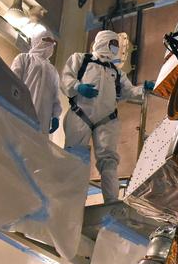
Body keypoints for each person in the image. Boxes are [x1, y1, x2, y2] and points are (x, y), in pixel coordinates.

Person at [61, 30, 154, 203]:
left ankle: (111, 203)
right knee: (75, 158)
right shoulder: (81, 59)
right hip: (81, 115)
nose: (116, 48)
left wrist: (144, 89)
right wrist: (78, 87)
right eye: (113, 43)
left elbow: (130, 91)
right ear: (104, 41)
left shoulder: (116, 72)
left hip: (107, 120)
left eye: (117, 45)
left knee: (109, 161)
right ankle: (71, 202)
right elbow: (66, 79)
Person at [10, 29, 62, 135]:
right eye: (46, 40)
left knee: (36, 148)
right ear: (37, 40)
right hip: (22, 111)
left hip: (43, 119)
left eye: (52, 42)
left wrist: (56, 116)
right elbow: (13, 81)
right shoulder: (24, 58)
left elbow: (55, 97)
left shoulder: (53, 70)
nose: (50, 44)